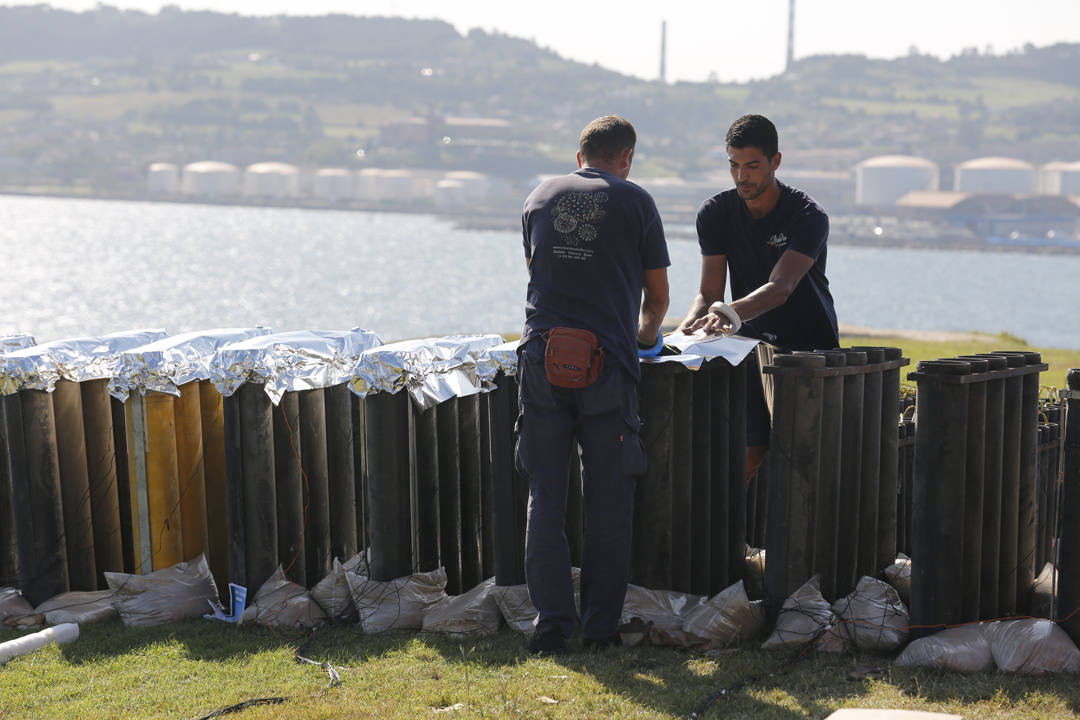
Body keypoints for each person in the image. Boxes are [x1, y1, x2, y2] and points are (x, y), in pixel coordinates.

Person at [516, 115, 670, 654]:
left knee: (545, 494)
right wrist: (644, 340)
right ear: (625, 156)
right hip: (606, 367)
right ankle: (600, 630)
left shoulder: (540, 196)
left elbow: (537, 271)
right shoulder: (636, 201)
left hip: (542, 362)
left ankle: (551, 626)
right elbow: (657, 299)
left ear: (579, 155)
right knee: (608, 500)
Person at [678, 114, 838, 480]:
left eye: (751, 166)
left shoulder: (808, 215)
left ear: (775, 161)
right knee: (748, 454)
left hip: (809, 351)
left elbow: (781, 288)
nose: (741, 177)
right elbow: (708, 293)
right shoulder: (715, 213)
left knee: (803, 460)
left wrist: (727, 311)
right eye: (733, 165)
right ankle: (732, 538)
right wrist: (688, 328)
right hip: (748, 348)